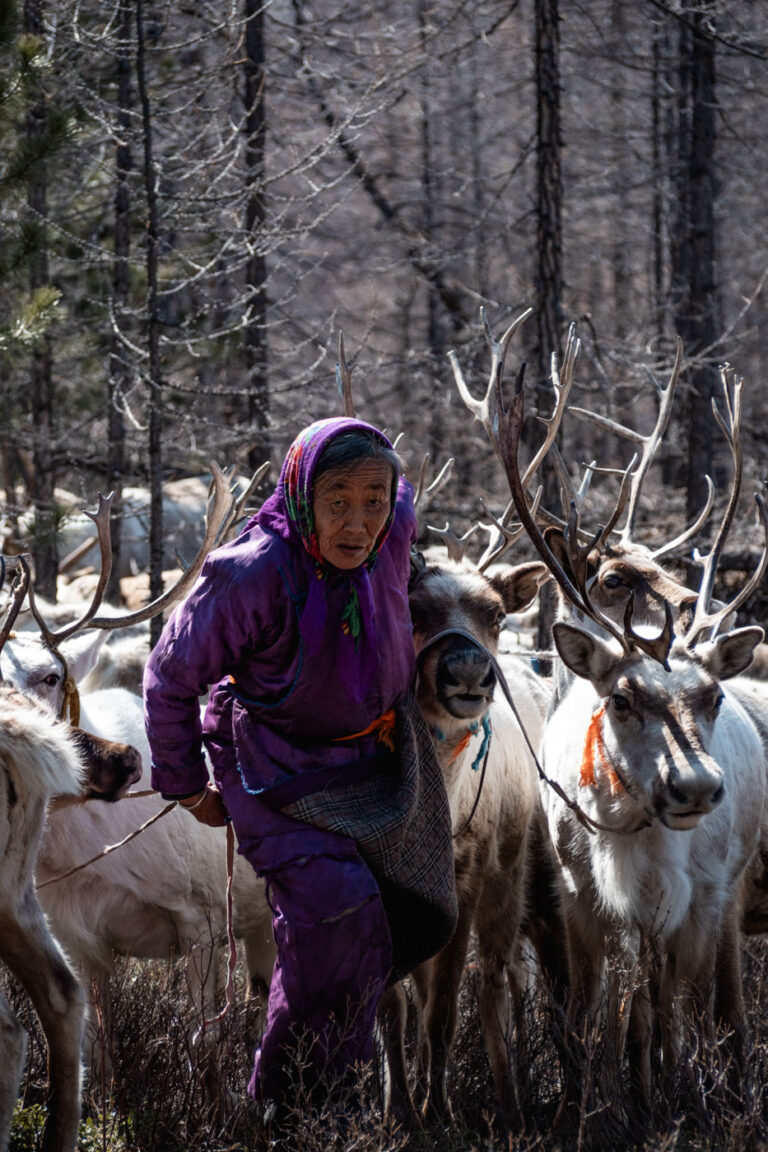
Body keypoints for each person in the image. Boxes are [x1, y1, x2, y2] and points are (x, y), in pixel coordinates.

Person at [143, 416, 457, 1119]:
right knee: (336, 913)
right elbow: (169, 678)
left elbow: (399, 514)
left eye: (373, 500)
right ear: (301, 492)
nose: (358, 522)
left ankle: (312, 1081)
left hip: (369, 753)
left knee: (406, 910)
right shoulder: (252, 572)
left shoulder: (393, 528)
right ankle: (302, 1104)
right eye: (337, 500)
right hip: (268, 757)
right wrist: (189, 785)